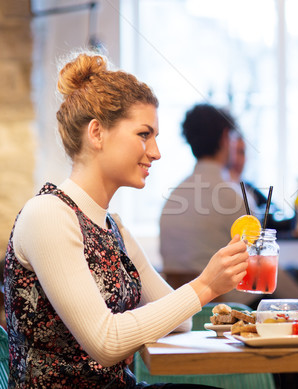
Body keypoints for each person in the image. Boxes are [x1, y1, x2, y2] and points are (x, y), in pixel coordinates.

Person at [2, 52, 249, 388]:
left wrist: (204, 288)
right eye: (144, 134)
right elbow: (106, 344)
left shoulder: (112, 227)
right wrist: (206, 285)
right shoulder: (48, 215)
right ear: (97, 133)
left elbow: (183, 322)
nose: (156, 152)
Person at [160, 104, 298, 308]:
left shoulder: (172, 197)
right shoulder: (231, 196)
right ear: (226, 138)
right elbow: (263, 263)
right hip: (228, 307)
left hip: (180, 307)